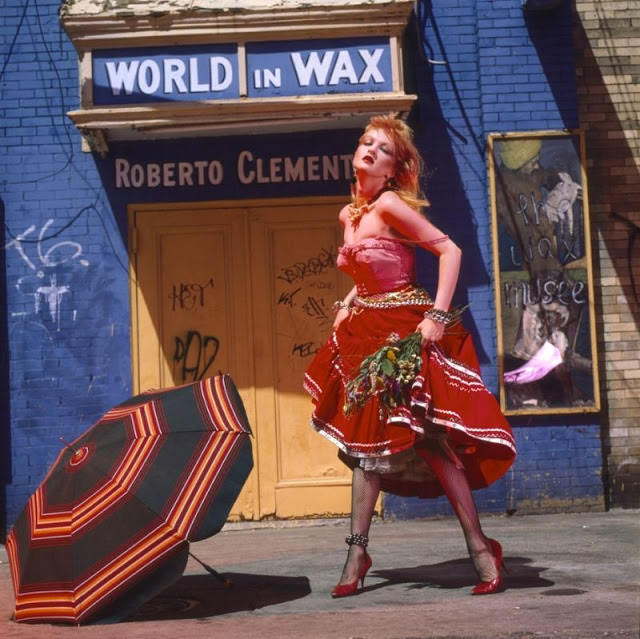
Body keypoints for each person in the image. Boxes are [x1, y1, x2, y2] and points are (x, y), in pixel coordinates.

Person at [303, 114, 516, 598]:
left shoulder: (392, 205)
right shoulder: (349, 215)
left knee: (433, 443)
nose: (370, 150)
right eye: (366, 142)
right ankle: (357, 552)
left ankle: (481, 548)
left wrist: (437, 318)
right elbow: (366, 275)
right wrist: (349, 302)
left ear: (395, 169)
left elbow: (450, 251)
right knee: (366, 451)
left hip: (406, 333)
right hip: (363, 335)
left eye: (382, 148)